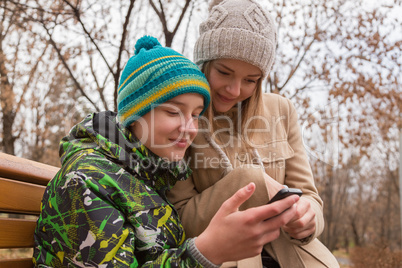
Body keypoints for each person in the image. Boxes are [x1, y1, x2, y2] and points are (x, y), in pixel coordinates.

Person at [33, 35, 300, 267]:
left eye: (196, 115)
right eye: (173, 112)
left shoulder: (156, 176)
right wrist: (207, 252)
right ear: (134, 115)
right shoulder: (85, 183)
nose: (189, 128)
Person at [167, 0, 340, 267]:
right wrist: (250, 181)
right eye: (224, 72)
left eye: (251, 80)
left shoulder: (281, 110)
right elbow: (180, 218)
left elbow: (309, 195)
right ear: (204, 63)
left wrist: (309, 218)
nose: (235, 90)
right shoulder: (184, 118)